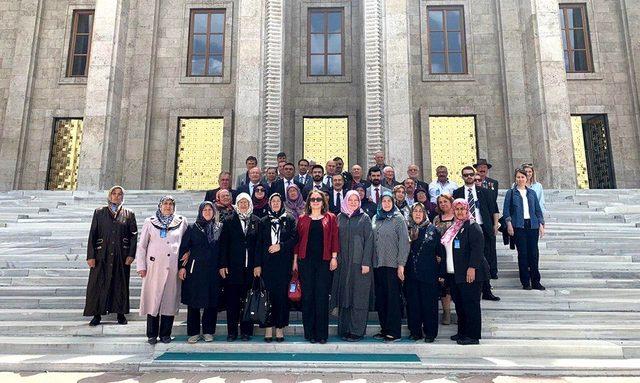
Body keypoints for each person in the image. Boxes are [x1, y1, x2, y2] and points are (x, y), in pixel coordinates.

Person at [136, 196, 188, 344]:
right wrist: (141, 266)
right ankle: (151, 334)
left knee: (169, 301)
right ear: (160, 206)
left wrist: (187, 255)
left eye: (171, 204)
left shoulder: (181, 221)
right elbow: (142, 246)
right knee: (153, 300)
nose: (168, 206)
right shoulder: (150, 222)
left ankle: (165, 334)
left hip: (173, 268)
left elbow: (186, 242)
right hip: (154, 267)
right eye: (165, 203)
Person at [84, 186, 137, 326]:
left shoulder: (129, 214)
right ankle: (97, 315)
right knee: (98, 284)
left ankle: (120, 314)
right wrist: (91, 256)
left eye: (119, 194)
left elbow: (133, 236)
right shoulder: (99, 212)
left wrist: (131, 254)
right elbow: (93, 235)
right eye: (114, 193)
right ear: (109, 195)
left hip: (121, 255)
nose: (116, 196)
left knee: (120, 283)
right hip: (102, 255)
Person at [293, 190, 339, 344]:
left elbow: (334, 238)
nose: (315, 201)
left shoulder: (330, 218)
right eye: (312, 199)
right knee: (308, 297)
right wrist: (294, 261)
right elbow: (297, 241)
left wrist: (334, 258)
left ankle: (322, 334)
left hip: (324, 262)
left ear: (323, 201)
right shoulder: (302, 218)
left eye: (318, 199)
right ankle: (310, 333)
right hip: (305, 262)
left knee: (321, 297)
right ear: (308, 202)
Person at [442, 199, 489, 345]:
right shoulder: (455, 227)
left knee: (471, 304)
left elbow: (477, 249)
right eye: (457, 209)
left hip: (470, 273)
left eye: (462, 209)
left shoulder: (472, 226)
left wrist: (472, 268)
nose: (460, 212)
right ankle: (462, 332)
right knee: (461, 305)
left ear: (467, 210)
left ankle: (473, 335)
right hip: (456, 273)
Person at [254, 193, 298, 342]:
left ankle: (279, 328)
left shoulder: (290, 219)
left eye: (278, 201)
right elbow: (258, 244)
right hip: (267, 266)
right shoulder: (263, 221)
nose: (276, 203)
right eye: (273, 201)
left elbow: (294, 238)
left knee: (281, 298)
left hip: (283, 264)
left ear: (282, 203)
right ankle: (268, 328)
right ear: (269, 203)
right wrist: (257, 264)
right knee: (268, 297)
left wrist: (281, 246)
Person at [453, 166, 500, 301]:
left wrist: (495, 225)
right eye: (466, 175)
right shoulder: (457, 193)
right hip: (465, 229)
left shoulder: (485, 192)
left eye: (471, 175)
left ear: (474, 176)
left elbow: (494, 210)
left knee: (484, 260)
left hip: (482, 228)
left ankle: (487, 290)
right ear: (462, 177)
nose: (468, 177)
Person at [332, 191, 375, 342]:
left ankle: (356, 331)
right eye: (350, 200)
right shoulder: (339, 218)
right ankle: (344, 329)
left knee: (358, 298)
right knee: (344, 296)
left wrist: (366, 263)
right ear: (345, 201)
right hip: (343, 264)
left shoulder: (365, 218)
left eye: (356, 200)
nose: (353, 202)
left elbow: (369, 241)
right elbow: (335, 240)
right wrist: (334, 258)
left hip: (359, 265)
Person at [178, 201, 222, 344]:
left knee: (211, 303)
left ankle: (208, 331)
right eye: (205, 210)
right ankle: (194, 332)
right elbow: (184, 248)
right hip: (195, 271)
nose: (208, 212)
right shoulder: (192, 228)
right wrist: (182, 267)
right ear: (200, 212)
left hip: (212, 271)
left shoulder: (219, 228)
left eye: (210, 210)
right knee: (194, 303)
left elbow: (223, 248)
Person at [219, 193, 261, 341]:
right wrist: (223, 264)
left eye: (246, 202)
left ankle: (246, 331)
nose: (243, 205)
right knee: (233, 302)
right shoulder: (229, 220)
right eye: (241, 202)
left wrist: (257, 265)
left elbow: (258, 246)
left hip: (250, 270)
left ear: (250, 204)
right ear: (237, 204)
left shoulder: (256, 221)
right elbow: (223, 244)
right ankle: (232, 332)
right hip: (233, 268)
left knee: (248, 301)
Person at [372, 192, 410, 343]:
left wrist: (401, 264)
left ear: (393, 203)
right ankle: (384, 329)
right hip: (378, 264)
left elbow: (404, 243)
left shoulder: (398, 219)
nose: (386, 204)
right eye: (384, 201)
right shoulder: (376, 218)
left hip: (393, 265)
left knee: (393, 298)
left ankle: (394, 331)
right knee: (381, 299)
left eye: (389, 201)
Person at [405, 202, 445, 342]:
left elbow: (441, 253)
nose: (417, 214)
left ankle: (430, 333)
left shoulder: (433, 230)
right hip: (411, 274)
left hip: (429, 274)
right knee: (413, 305)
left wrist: (441, 274)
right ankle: (415, 332)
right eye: (414, 211)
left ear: (424, 213)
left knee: (429, 305)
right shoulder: (407, 230)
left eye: (420, 211)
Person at [504, 168, 546, 291]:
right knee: (523, 254)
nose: (520, 179)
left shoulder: (532, 193)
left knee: (534, 254)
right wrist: (509, 225)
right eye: (518, 177)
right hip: (518, 226)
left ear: (526, 178)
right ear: (515, 179)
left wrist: (541, 224)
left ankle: (536, 281)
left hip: (532, 225)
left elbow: (537, 210)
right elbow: (506, 210)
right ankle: (525, 281)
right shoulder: (511, 193)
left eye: (522, 177)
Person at [433, 193, 455, 325]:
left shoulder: (458, 217)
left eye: (445, 201)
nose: (443, 204)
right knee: (444, 286)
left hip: (455, 255)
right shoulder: (437, 219)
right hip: (441, 254)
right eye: (440, 202)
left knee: (456, 285)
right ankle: (446, 313)